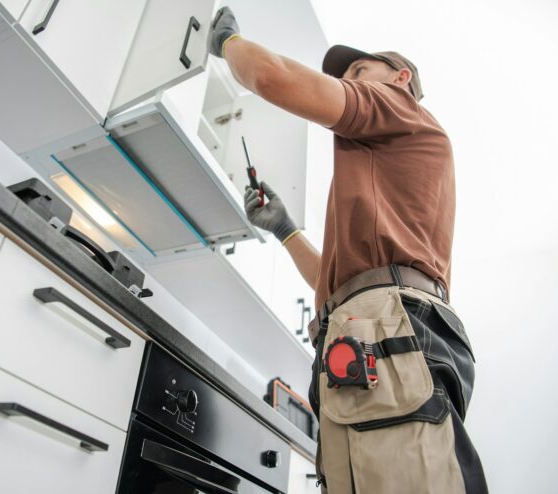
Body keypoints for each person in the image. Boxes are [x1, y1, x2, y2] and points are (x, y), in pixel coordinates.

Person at [209, 7, 488, 493]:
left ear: (400, 79)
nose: (348, 81)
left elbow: (272, 76)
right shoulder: (384, 173)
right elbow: (341, 285)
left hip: (385, 327)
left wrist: (229, 43)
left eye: (359, 71)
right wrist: (285, 229)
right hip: (372, 323)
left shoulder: (401, 109)